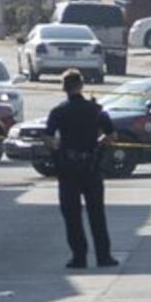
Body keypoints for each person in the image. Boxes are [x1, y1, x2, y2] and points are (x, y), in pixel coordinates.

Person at [41, 70, 117, 269]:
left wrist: (58, 151)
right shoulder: (96, 109)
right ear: (81, 85)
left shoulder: (58, 111)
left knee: (72, 214)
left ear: (64, 88)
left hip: (68, 168)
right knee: (96, 213)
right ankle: (104, 256)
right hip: (91, 167)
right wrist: (99, 145)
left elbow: (48, 138)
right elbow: (111, 135)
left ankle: (79, 257)